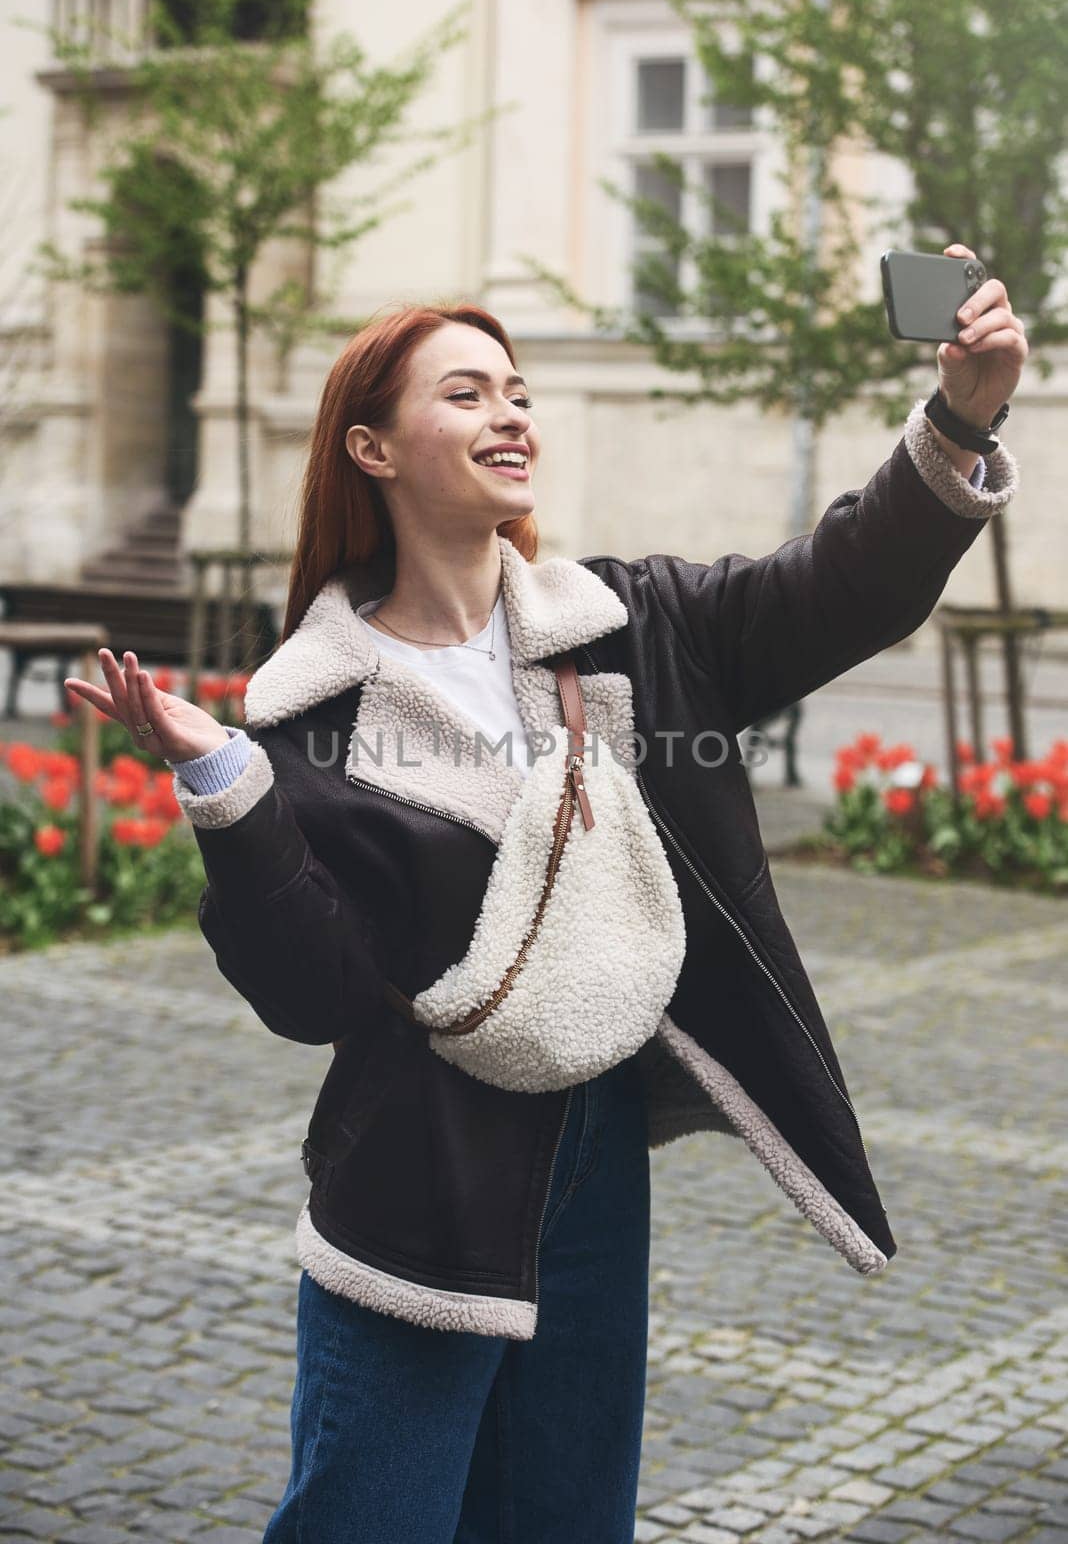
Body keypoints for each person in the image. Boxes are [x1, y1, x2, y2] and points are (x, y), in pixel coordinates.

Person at [66, 242, 1028, 1543]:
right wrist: (227, 781)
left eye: (515, 389)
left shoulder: (634, 625)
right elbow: (313, 991)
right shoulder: (315, 711)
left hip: (597, 1158)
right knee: (371, 1519)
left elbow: (838, 585)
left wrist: (962, 414)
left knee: (568, 1519)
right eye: (463, 393)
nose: (509, 411)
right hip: (419, 1175)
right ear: (372, 450)